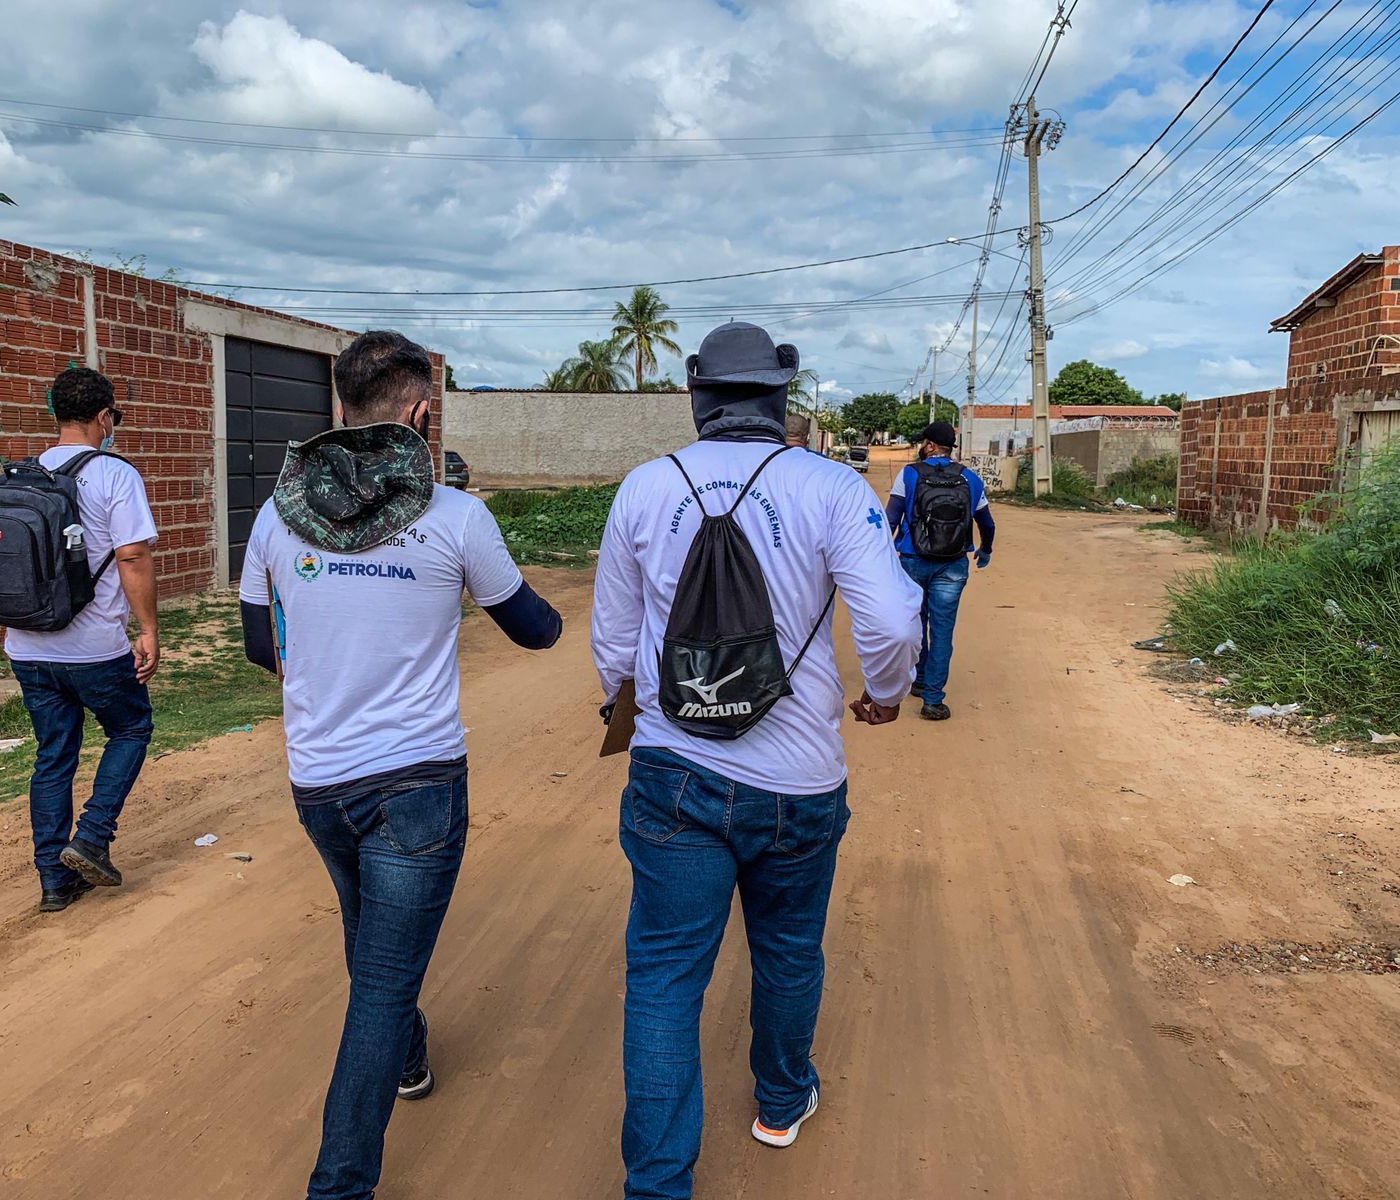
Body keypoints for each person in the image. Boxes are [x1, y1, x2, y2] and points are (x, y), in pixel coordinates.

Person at [591, 322, 923, 1199]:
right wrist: (885, 691)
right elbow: (890, 622)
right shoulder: (830, 487)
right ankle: (781, 1101)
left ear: (698, 396)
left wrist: (645, 709)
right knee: (787, 946)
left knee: (663, 978)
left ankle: (658, 1185)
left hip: (673, 775)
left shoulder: (643, 488)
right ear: (782, 397)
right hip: (799, 780)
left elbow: (613, 648)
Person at [237, 330, 563, 1200]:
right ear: (420, 414)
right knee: (380, 985)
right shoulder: (456, 516)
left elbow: (260, 648)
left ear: (340, 408)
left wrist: (336, 659)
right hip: (418, 783)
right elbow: (535, 630)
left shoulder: (275, 516)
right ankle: (339, 1186)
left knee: (370, 937)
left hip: (320, 780)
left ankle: (411, 1057)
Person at [6, 366, 159, 914]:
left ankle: (54, 881)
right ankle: (92, 836)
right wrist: (147, 630)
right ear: (103, 416)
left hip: (26, 646)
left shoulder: (19, 475)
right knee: (131, 726)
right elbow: (133, 555)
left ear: (55, 414)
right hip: (92, 646)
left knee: (53, 757)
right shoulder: (115, 475)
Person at [884, 420, 996, 721]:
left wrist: (880, 554)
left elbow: (890, 518)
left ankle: (918, 680)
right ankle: (933, 699)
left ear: (931, 446)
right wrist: (985, 550)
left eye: (925, 442)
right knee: (943, 630)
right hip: (953, 563)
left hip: (912, 560)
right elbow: (987, 523)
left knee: (916, 625)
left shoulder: (909, 474)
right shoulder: (970, 479)